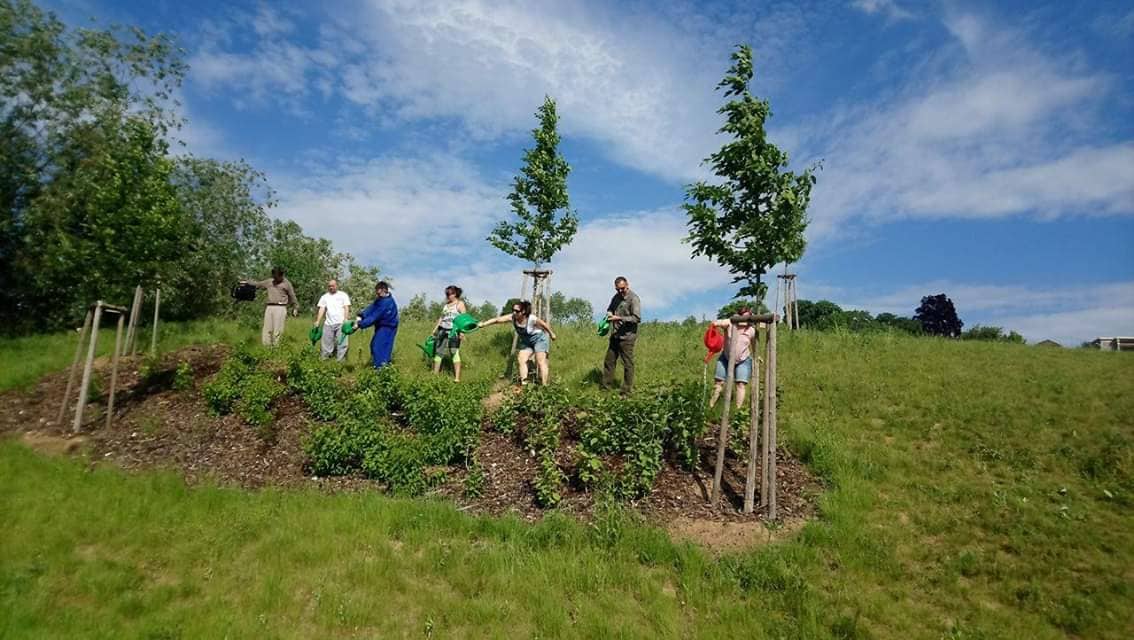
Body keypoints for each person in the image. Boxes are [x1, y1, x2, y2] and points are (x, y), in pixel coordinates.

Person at [479, 300, 557, 386]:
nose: (514, 312)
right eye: (513, 310)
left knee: (540, 361)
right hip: (526, 341)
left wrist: (551, 334)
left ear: (523, 311)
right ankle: (524, 383)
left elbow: (544, 324)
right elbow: (497, 320)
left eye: (517, 311)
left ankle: (544, 385)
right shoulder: (512, 317)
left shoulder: (531, 319)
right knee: (521, 359)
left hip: (539, 339)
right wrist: (484, 324)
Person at [708, 310, 758, 409]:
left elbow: (754, 345)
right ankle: (710, 406)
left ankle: (737, 411)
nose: (745, 320)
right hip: (726, 357)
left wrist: (757, 355)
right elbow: (720, 322)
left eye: (748, 318)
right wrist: (716, 323)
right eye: (743, 317)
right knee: (719, 383)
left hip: (743, 359)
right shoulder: (730, 323)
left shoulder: (751, 330)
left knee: (740, 384)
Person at [602, 276, 641, 395]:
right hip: (615, 335)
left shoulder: (634, 299)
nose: (620, 291)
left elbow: (637, 318)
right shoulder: (616, 298)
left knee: (627, 363)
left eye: (622, 289)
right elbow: (610, 309)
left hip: (627, 337)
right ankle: (605, 388)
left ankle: (626, 390)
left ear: (627, 285)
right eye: (617, 289)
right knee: (609, 361)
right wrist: (609, 314)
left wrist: (619, 318)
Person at [244, 267, 298, 347]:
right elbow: (257, 284)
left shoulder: (287, 284)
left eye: (277, 277)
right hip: (269, 307)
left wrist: (295, 307)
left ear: (281, 275)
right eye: (274, 276)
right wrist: (247, 282)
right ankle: (266, 347)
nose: (275, 278)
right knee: (267, 329)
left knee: (278, 329)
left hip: (280, 307)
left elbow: (292, 296)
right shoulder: (269, 282)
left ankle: (276, 347)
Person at [354, 281, 399, 368]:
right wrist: (361, 315)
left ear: (384, 290)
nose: (377, 294)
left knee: (379, 347)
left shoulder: (387, 302)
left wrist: (360, 324)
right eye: (376, 292)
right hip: (381, 327)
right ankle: (379, 366)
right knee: (374, 345)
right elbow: (371, 308)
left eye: (378, 292)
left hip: (388, 327)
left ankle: (381, 369)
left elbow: (374, 317)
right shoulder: (380, 299)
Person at [431, 285, 467, 381]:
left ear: (455, 294)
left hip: (454, 331)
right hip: (442, 330)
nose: (448, 296)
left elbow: (464, 319)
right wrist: (435, 329)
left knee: (454, 352)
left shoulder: (460, 304)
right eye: (447, 294)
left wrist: (462, 332)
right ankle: (434, 376)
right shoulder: (446, 306)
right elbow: (441, 318)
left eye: (450, 293)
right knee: (438, 352)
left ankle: (457, 378)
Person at [314, 279, 351, 361]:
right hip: (328, 323)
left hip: (341, 323)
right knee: (326, 343)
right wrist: (317, 321)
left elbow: (346, 307)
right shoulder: (324, 297)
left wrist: (346, 319)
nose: (331, 287)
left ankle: (340, 361)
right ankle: (325, 360)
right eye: (329, 286)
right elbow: (322, 309)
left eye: (333, 286)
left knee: (342, 343)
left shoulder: (343, 295)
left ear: (336, 285)